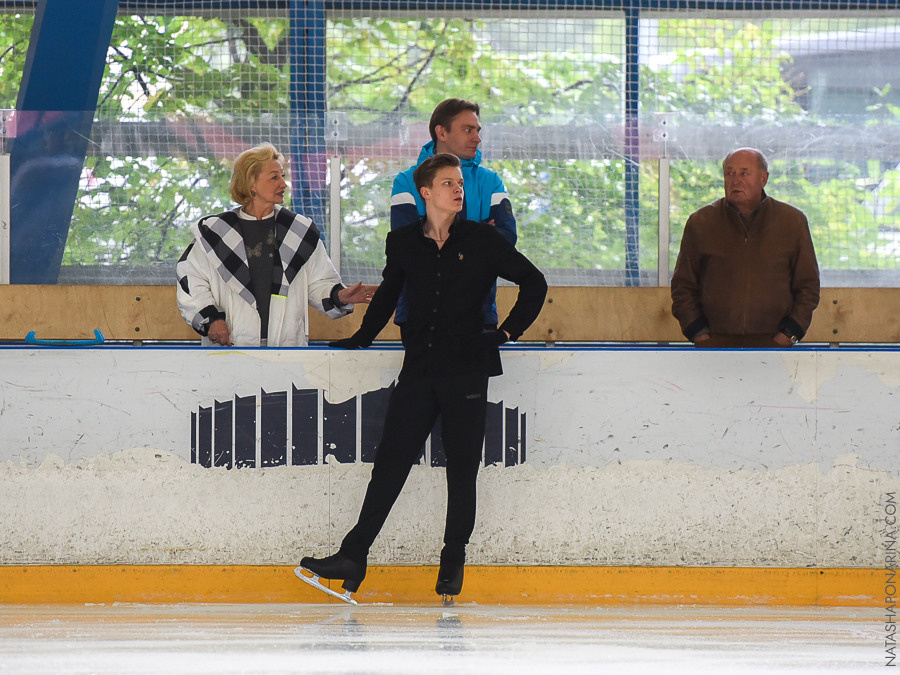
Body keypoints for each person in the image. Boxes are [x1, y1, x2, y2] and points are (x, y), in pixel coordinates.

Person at [299, 153, 547, 602]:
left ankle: (452, 562)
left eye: (460, 183)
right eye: (448, 183)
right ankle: (353, 555)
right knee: (391, 463)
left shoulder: (482, 240)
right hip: (419, 366)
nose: (458, 189)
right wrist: (361, 338)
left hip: (467, 368)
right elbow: (388, 294)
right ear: (426, 192)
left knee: (462, 468)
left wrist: (505, 333)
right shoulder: (403, 242)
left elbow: (535, 282)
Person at [176, 143, 377, 347]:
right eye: (274, 177)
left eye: (282, 176)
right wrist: (212, 319)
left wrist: (340, 296)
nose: (283, 184)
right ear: (251, 183)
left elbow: (319, 283)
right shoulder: (213, 233)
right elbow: (190, 281)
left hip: (287, 351)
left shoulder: (299, 231)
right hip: (228, 351)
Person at [670, 147, 820, 348]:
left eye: (744, 173)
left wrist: (788, 335)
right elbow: (683, 286)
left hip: (774, 345)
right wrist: (698, 334)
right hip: (714, 345)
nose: (735, 180)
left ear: (763, 179)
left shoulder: (792, 222)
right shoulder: (701, 222)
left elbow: (808, 286)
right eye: (729, 173)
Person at [390, 98, 517, 331]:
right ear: (442, 132)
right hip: (420, 318)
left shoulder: (491, 181)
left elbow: (506, 240)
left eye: (477, 130)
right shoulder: (406, 182)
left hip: (479, 317)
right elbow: (408, 248)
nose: (477, 138)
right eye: (468, 130)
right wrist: (482, 232)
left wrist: (438, 237)